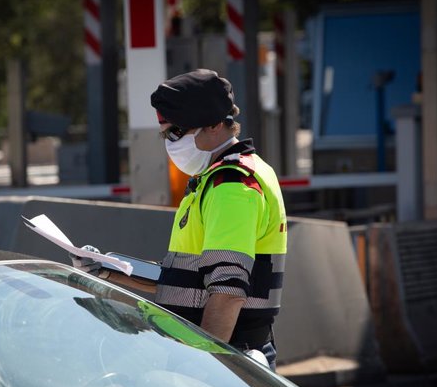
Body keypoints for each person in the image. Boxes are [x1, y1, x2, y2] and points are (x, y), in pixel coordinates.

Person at [71, 69, 287, 370]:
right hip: (228, 352)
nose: (169, 142)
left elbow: (226, 293)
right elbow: (191, 281)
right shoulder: (219, 178)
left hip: (227, 359)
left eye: (175, 132)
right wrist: (110, 270)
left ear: (213, 124)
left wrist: (203, 369)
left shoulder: (232, 187)